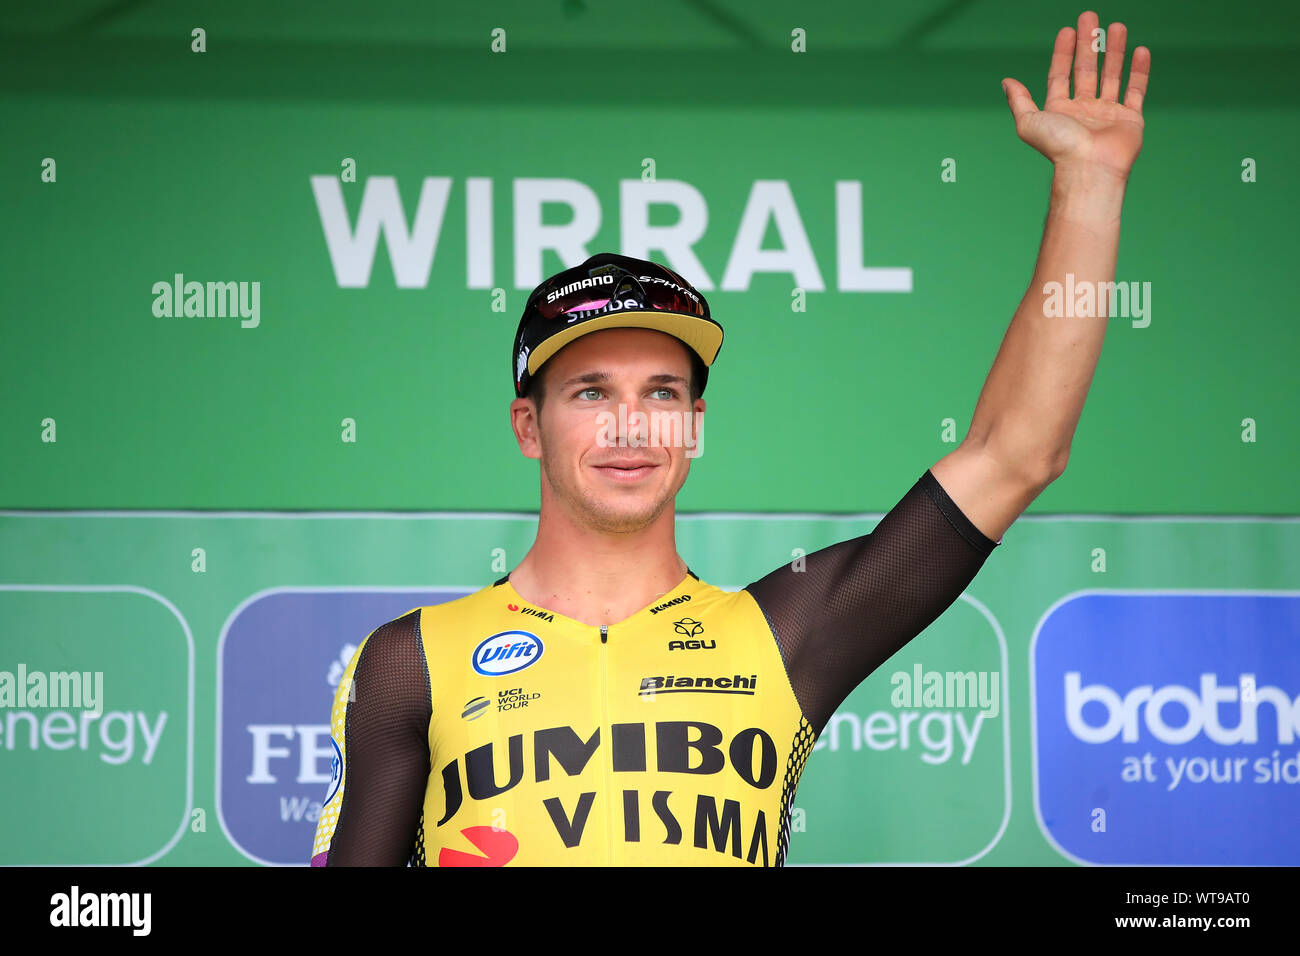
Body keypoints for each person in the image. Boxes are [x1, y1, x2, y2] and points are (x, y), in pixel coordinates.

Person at [310, 10, 1149, 866]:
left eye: (662, 392)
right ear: (529, 425)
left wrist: (1089, 183)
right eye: (592, 391)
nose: (630, 423)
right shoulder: (410, 661)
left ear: (694, 425)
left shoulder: (788, 631)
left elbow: (1017, 452)